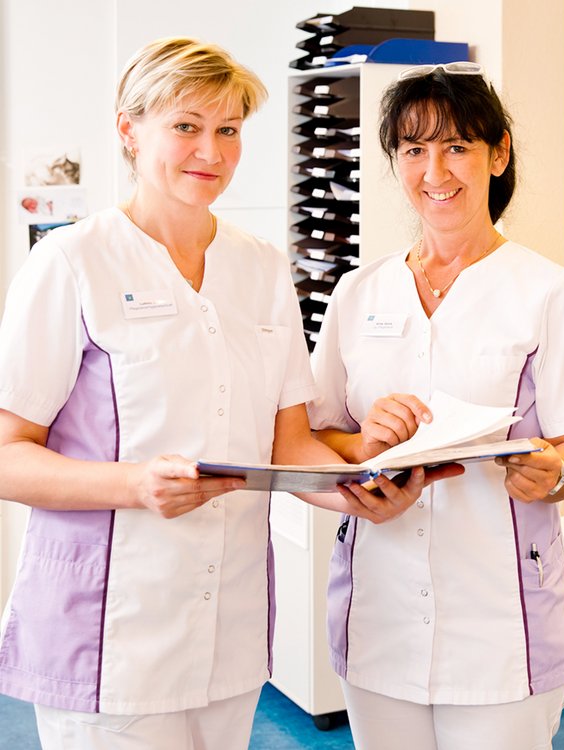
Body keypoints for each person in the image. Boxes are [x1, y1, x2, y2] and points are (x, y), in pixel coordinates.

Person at [0, 38, 460, 750]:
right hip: (110, 629)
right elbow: (7, 456)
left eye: (228, 130)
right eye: (185, 125)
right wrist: (134, 484)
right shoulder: (70, 262)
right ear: (129, 129)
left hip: (230, 624)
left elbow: (289, 447)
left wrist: (358, 490)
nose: (209, 150)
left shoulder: (260, 266)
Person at [307, 61, 564, 750]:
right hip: (379, 611)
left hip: (498, 620)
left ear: (497, 153)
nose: (434, 169)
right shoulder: (358, 294)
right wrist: (360, 444)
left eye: (456, 146)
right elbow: (317, 435)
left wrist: (551, 469)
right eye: (414, 149)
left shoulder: (548, 291)